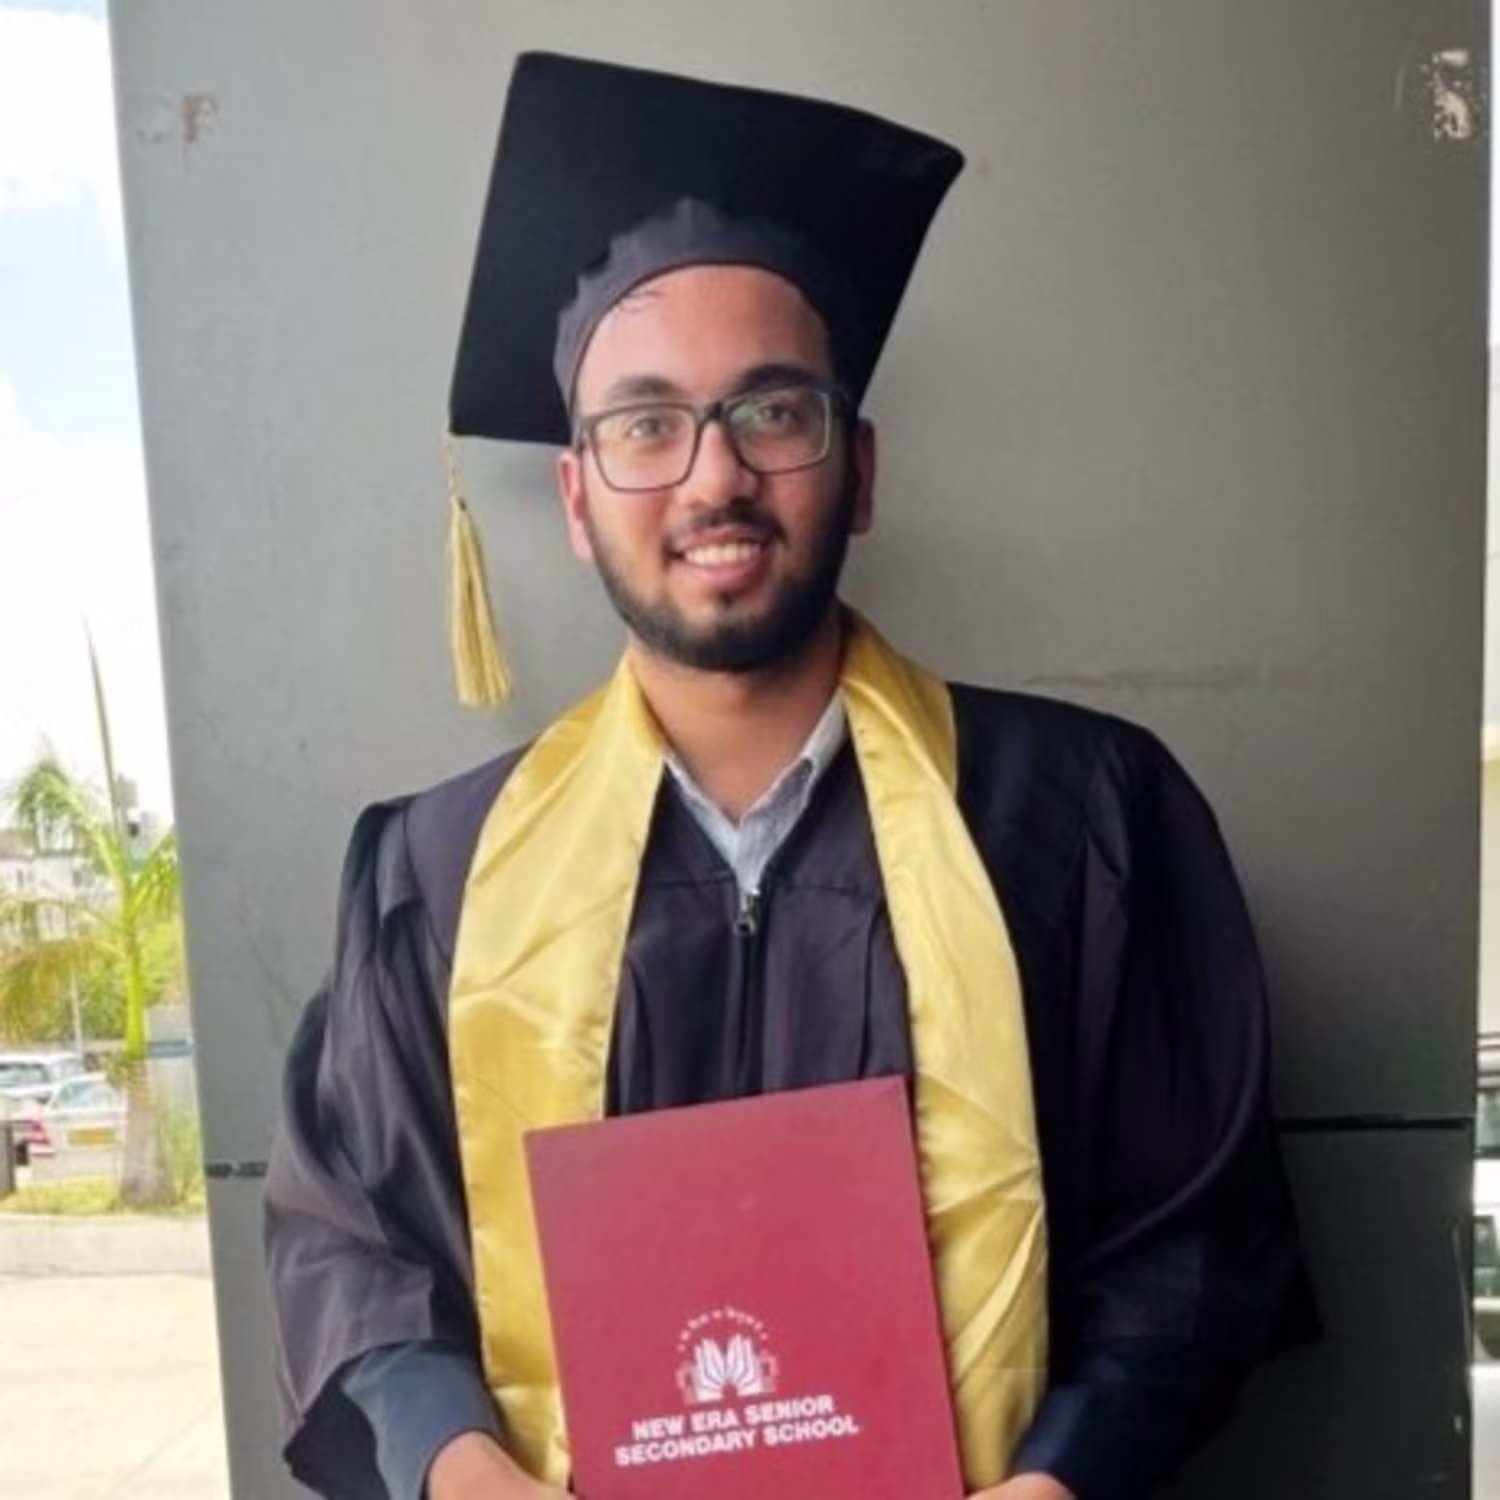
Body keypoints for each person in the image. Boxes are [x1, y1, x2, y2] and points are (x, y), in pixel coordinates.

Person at [264, 51, 1317, 1500]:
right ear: (576, 498)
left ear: (859, 469)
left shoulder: (1081, 817)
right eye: (645, 425)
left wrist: (1057, 1482)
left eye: (772, 412)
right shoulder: (438, 873)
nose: (714, 479)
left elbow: (1189, 1245)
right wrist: (462, 1472)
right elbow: (353, 1249)